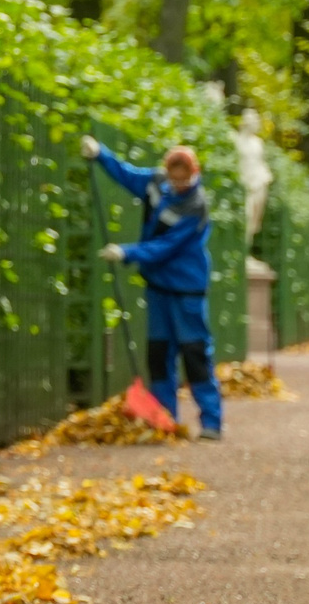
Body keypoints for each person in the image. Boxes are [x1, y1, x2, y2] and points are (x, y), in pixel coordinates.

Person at [82, 134, 221, 440]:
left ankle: (211, 422)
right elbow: (127, 174)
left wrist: (127, 252)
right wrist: (100, 153)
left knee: (195, 354)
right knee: (159, 354)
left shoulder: (196, 207)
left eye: (185, 180)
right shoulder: (157, 184)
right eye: (175, 179)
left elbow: (165, 247)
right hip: (158, 286)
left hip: (187, 291)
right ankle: (165, 420)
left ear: (195, 175)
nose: (179, 185)